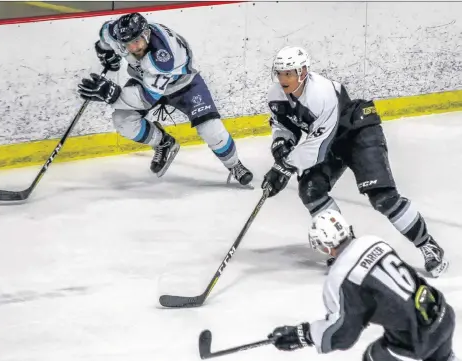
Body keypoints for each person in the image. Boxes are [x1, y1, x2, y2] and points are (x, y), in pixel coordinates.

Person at [261, 45, 448, 277]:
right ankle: (347, 249)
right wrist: (281, 143)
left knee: (383, 199)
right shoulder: (276, 95)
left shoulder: (322, 94)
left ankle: (428, 245)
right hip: (330, 142)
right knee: (311, 190)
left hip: (358, 133)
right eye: (279, 73)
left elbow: (318, 145)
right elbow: (283, 125)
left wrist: (285, 166)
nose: (283, 79)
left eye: (288, 73)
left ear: (303, 72)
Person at [77, 12, 253, 184]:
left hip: (184, 85)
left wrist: (111, 94)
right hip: (145, 80)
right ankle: (164, 143)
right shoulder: (118, 33)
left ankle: (234, 165)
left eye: (136, 42)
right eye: (127, 44)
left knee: (211, 130)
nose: (132, 48)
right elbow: (104, 33)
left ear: (146, 34)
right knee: (123, 121)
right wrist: (104, 50)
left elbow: (146, 99)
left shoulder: (163, 58)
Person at [269, 209, 457, 361]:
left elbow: (342, 334)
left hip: (416, 338)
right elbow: (384, 293)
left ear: (324, 246)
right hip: (441, 315)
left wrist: (304, 335)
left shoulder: (340, 277)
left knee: (374, 357)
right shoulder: (374, 241)